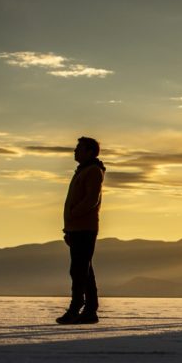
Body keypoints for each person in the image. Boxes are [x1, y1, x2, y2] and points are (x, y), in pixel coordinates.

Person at [56, 137, 106, 325]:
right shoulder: (83, 171)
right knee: (84, 270)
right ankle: (90, 311)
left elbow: (91, 199)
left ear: (90, 152)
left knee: (78, 270)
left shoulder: (93, 171)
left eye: (79, 148)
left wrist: (73, 214)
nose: (75, 151)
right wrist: (69, 228)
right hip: (78, 228)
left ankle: (77, 307)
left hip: (85, 228)